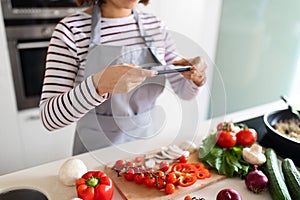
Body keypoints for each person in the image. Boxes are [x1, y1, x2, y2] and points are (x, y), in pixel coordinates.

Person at [39, 0, 207, 155]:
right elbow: (50, 118)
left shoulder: (155, 26)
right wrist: (98, 86)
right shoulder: (71, 30)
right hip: (96, 155)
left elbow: (184, 92)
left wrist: (194, 78)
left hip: (148, 149)